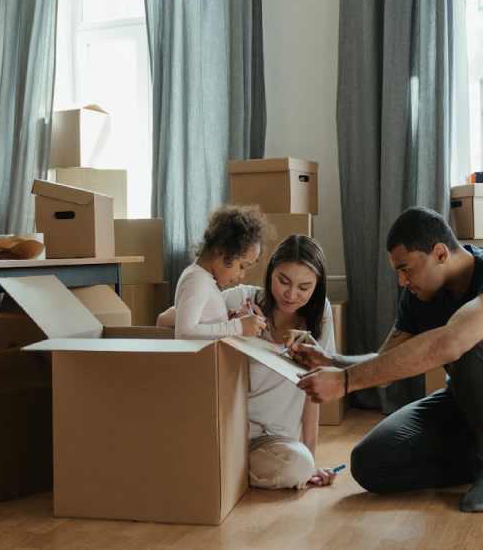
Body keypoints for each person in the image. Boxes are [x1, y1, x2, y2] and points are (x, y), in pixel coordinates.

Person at [294, 206, 483, 512]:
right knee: (369, 462)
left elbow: (450, 342)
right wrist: (331, 361)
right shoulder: (417, 295)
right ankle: (476, 462)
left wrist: (344, 383)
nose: (401, 281)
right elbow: (388, 362)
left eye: (406, 269)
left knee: (465, 343)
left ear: (439, 253)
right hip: (463, 403)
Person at [162, 232, 338, 489]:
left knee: (298, 467)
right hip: (228, 431)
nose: (290, 295)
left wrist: (311, 458)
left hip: (274, 442)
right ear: (270, 274)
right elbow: (165, 319)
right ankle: (222, 468)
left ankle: (221, 470)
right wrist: (230, 323)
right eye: (283, 281)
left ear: (317, 286)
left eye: (304, 288)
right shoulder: (242, 298)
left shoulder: (321, 315)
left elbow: (316, 390)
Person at [173, 204, 267, 340]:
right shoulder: (196, 281)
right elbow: (184, 333)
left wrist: (227, 321)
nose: (242, 276)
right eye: (242, 266)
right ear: (221, 250)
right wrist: (237, 327)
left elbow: (204, 326)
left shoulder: (204, 280)